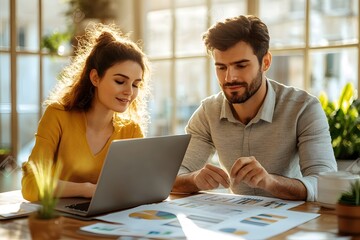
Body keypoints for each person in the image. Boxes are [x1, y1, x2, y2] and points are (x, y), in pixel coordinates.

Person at [172, 15, 337, 201]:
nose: (229, 78)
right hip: (236, 221)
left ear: (265, 62)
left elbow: (325, 184)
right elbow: (171, 177)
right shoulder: (208, 112)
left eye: (240, 66)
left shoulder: (304, 108)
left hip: (293, 221)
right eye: (221, 67)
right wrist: (194, 179)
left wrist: (270, 182)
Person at [21, 23, 151, 202]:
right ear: (95, 78)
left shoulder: (131, 130)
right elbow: (31, 186)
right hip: (58, 220)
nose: (130, 91)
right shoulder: (57, 115)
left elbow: (141, 185)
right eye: (120, 81)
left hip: (108, 218)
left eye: (136, 84)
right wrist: (87, 190)